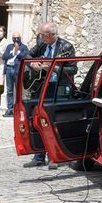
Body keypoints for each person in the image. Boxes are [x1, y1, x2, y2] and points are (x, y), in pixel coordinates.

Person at [24, 23, 75, 167]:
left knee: (52, 122)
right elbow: (26, 55)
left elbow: (73, 69)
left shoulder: (66, 47)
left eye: (43, 35)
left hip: (56, 87)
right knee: (37, 120)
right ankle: (39, 157)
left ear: (52, 35)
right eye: (41, 35)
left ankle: (55, 157)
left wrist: (54, 67)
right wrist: (33, 63)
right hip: (40, 86)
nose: (41, 37)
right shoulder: (42, 44)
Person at [1, 33, 29, 117]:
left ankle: (18, 109)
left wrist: (17, 52)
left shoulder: (24, 47)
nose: (16, 39)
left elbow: (25, 57)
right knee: (9, 90)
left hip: (18, 70)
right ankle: (10, 109)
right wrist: (13, 53)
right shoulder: (9, 46)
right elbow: (4, 56)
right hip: (9, 69)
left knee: (18, 90)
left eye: (17, 38)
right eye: (14, 38)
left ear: (20, 38)